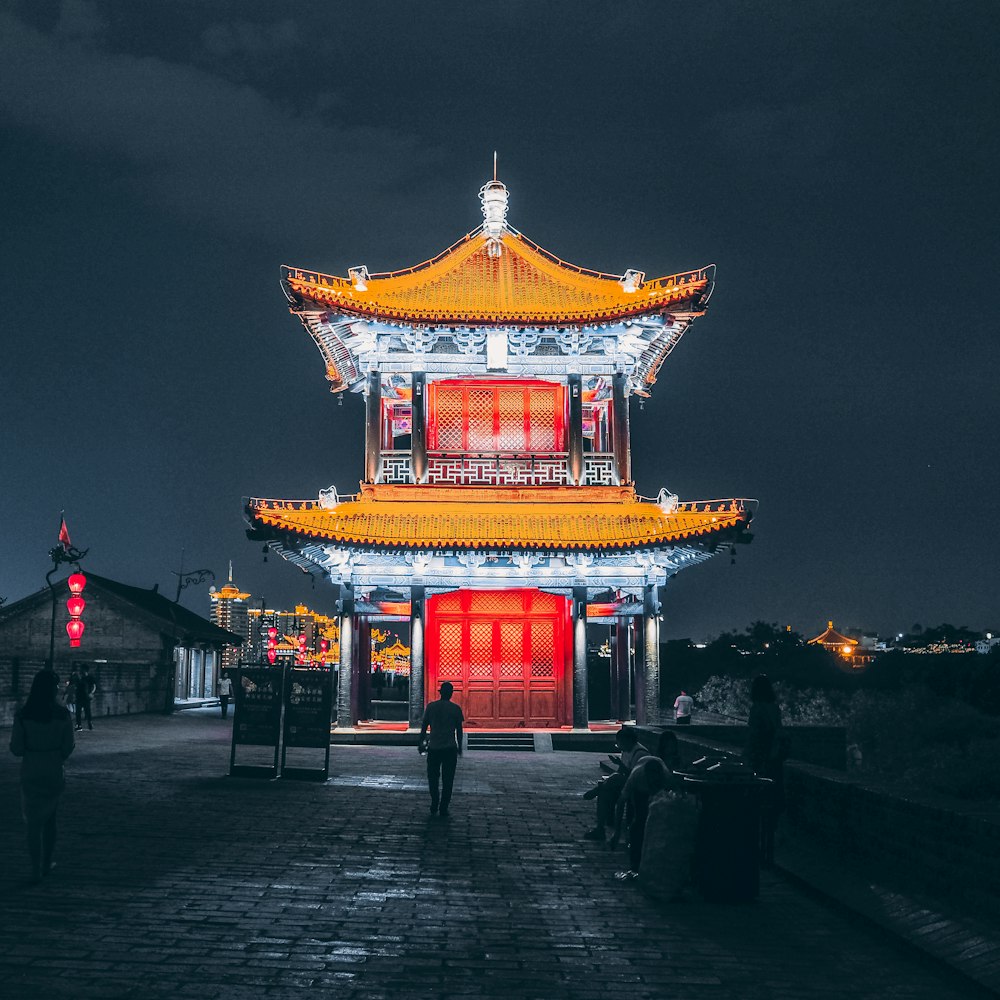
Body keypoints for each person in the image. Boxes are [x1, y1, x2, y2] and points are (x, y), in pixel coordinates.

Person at [9, 670, 76, 884]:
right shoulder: (62, 715)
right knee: (50, 819)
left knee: (32, 821)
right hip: (53, 768)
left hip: (31, 768)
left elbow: (17, 748)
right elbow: (69, 746)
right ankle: (47, 863)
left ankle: (35, 868)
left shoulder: (23, 715)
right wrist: (57, 754)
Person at [744, 674, 785, 866]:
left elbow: (753, 738)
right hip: (775, 761)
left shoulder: (757, 709)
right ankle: (768, 849)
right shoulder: (775, 709)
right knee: (771, 805)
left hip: (759, 761)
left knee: (755, 804)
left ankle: (756, 847)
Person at [583, 727, 648, 842]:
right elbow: (621, 772)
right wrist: (619, 766)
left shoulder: (639, 753)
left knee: (615, 779)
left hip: (639, 785)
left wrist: (620, 765)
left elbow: (633, 776)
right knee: (605, 792)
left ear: (628, 741)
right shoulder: (626, 751)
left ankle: (598, 789)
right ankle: (600, 828)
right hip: (625, 782)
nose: (619, 745)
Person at [419, 682, 464, 817]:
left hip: (434, 747)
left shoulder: (431, 707)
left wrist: (420, 742)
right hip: (449, 747)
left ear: (440, 692)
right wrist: (460, 746)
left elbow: (424, 727)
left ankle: (434, 801)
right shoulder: (455, 709)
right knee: (448, 779)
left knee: (433, 777)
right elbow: (459, 730)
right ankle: (443, 806)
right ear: (451, 693)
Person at [74, 667, 96, 731]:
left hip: (86, 697)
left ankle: (89, 723)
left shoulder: (89, 678)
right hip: (79, 697)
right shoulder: (79, 678)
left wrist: (91, 693)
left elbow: (94, 686)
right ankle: (79, 725)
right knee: (78, 712)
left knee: (87, 711)